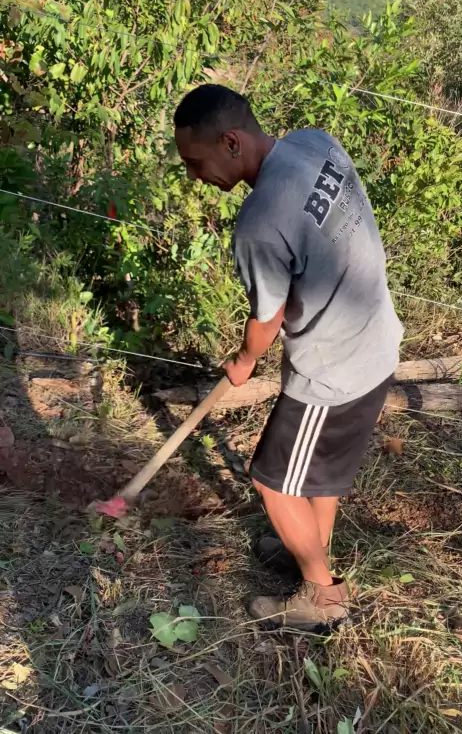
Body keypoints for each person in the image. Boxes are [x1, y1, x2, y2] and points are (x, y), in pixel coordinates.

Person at [174, 84, 403, 631]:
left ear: (231, 142)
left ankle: (324, 599)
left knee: (273, 481)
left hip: (335, 369)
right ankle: (309, 549)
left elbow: (266, 320)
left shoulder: (259, 222)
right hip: (376, 342)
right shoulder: (315, 142)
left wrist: (243, 361)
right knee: (315, 474)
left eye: (195, 162)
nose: (194, 176)